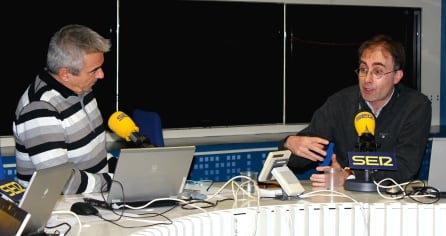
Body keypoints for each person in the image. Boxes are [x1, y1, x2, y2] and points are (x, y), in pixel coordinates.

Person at [279, 34, 431, 188]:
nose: (367, 79)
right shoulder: (340, 103)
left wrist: (350, 176)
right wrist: (289, 143)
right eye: (363, 69)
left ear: (397, 76)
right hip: (348, 198)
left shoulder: (415, 106)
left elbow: (405, 167)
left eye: (377, 71)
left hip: (392, 197)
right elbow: (302, 156)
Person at [12, 24, 116, 194]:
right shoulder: (39, 110)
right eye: (94, 70)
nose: (101, 75)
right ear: (65, 74)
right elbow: (61, 182)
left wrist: (122, 170)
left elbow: (92, 156)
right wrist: (114, 182)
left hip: (90, 199)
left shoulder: (83, 89)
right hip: (57, 212)